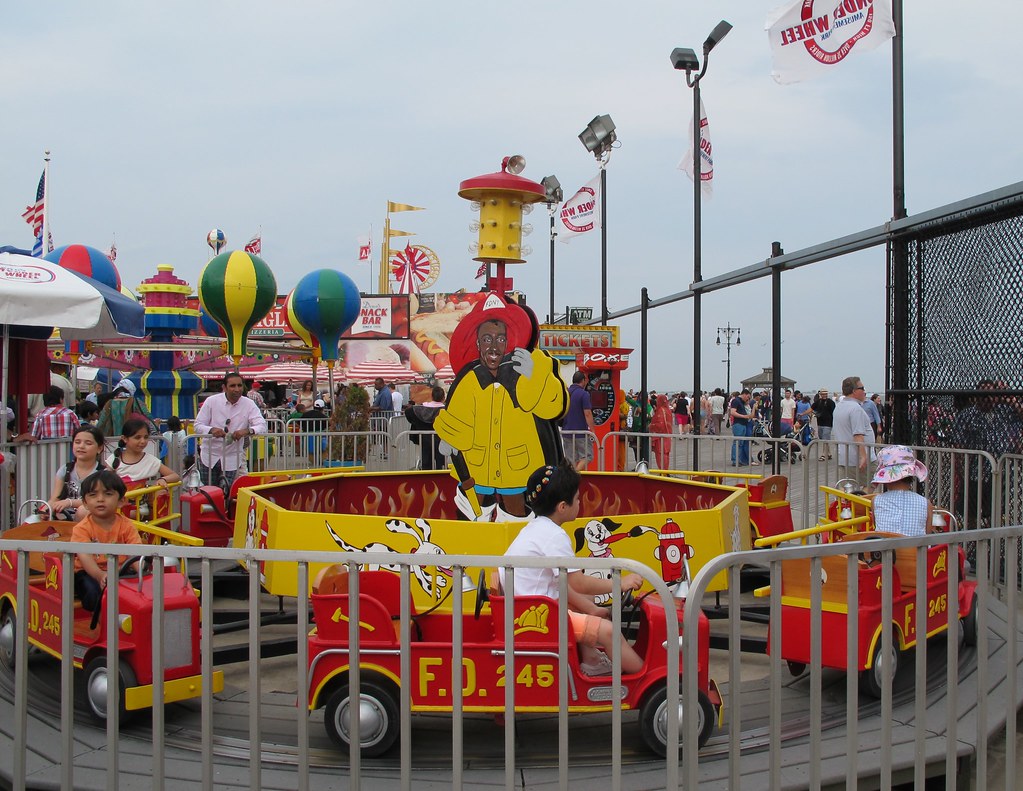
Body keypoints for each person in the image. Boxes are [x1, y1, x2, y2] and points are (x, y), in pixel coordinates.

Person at [501, 461, 645, 675]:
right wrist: (620, 583)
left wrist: (590, 609)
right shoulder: (554, 536)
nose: (580, 503)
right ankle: (646, 678)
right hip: (540, 621)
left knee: (588, 603)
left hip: (532, 611)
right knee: (610, 632)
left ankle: (592, 661)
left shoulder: (536, 529)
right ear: (562, 507)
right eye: (577, 499)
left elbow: (560, 583)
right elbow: (577, 582)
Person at [435, 294, 567, 518]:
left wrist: (534, 377)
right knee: (471, 515)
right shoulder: (470, 379)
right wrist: (451, 438)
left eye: (500, 339)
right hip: (476, 469)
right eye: (487, 339)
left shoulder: (528, 370)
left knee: (518, 516)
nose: (493, 346)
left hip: (518, 468)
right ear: (478, 343)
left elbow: (552, 407)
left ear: (509, 342)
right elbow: (459, 417)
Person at [71, 470, 144, 613]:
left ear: (121, 501)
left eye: (108, 494)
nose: (100, 499)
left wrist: (142, 572)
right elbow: (85, 557)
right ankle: (99, 623)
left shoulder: (127, 525)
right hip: (89, 573)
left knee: (138, 589)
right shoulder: (82, 528)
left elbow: (135, 552)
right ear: (85, 503)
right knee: (93, 592)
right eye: (93, 495)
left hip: (121, 570)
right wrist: (100, 575)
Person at [192, 372, 268, 496]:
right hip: (209, 456)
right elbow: (198, 425)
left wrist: (247, 431)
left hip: (232, 457)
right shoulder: (211, 401)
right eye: (232, 386)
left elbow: (262, 425)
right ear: (224, 387)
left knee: (227, 494)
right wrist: (211, 430)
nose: (237, 389)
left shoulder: (248, 404)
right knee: (207, 493)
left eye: (239, 385)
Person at [46, 425, 108, 522]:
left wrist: (70, 502)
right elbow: (55, 498)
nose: (81, 446)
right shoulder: (65, 469)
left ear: (99, 448)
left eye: (88, 443)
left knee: (83, 511)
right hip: (64, 515)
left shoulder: (104, 474)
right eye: (77, 442)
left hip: (90, 517)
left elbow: (97, 502)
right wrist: (46, 509)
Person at [869, 446, 935, 537]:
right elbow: (927, 536)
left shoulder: (876, 501)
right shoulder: (925, 503)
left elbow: (876, 527)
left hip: (885, 550)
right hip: (916, 550)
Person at [107, 418, 180, 488]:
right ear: (125, 439)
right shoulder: (114, 458)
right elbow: (105, 481)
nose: (143, 441)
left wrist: (163, 479)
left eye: (146, 437)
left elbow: (175, 476)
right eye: (137, 437)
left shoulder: (150, 460)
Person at [833, 376, 875, 489]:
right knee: (870, 485)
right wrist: (863, 457)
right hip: (857, 459)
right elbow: (858, 435)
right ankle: (860, 506)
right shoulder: (855, 409)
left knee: (849, 490)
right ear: (854, 391)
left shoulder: (839, 407)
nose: (864, 391)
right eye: (862, 388)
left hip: (844, 457)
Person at [404, 386, 447, 470]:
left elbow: (408, 413)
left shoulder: (417, 410)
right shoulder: (446, 411)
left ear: (432, 396)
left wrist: (416, 423)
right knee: (441, 463)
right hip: (441, 440)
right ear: (443, 398)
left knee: (426, 462)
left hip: (424, 439)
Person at [562, 371, 596, 470]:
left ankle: (570, 481)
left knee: (570, 460)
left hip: (566, 431)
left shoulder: (566, 393)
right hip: (581, 432)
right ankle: (575, 474)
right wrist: (592, 431)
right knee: (587, 456)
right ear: (583, 380)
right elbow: (588, 413)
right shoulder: (584, 394)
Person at [729, 389, 754, 466]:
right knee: (737, 442)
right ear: (744, 394)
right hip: (738, 424)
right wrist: (743, 416)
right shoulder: (736, 401)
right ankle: (735, 460)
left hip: (743, 424)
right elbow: (732, 412)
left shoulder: (741, 402)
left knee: (740, 443)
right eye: (747, 397)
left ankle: (738, 459)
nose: (748, 399)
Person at [649, 393, 674, 469]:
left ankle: (662, 471)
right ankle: (665, 471)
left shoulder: (660, 410)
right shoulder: (668, 410)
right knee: (666, 454)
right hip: (667, 435)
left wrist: (651, 426)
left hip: (660, 437)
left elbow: (660, 425)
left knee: (660, 455)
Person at [812, 388, 836, 460]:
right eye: (823, 394)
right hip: (820, 423)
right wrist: (803, 414)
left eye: (825, 394)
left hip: (828, 424)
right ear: (820, 394)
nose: (824, 395)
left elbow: (834, 412)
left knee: (825, 438)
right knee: (823, 439)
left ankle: (823, 454)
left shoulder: (831, 402)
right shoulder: (818, 402)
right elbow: (811, 408)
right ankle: (828, 453)